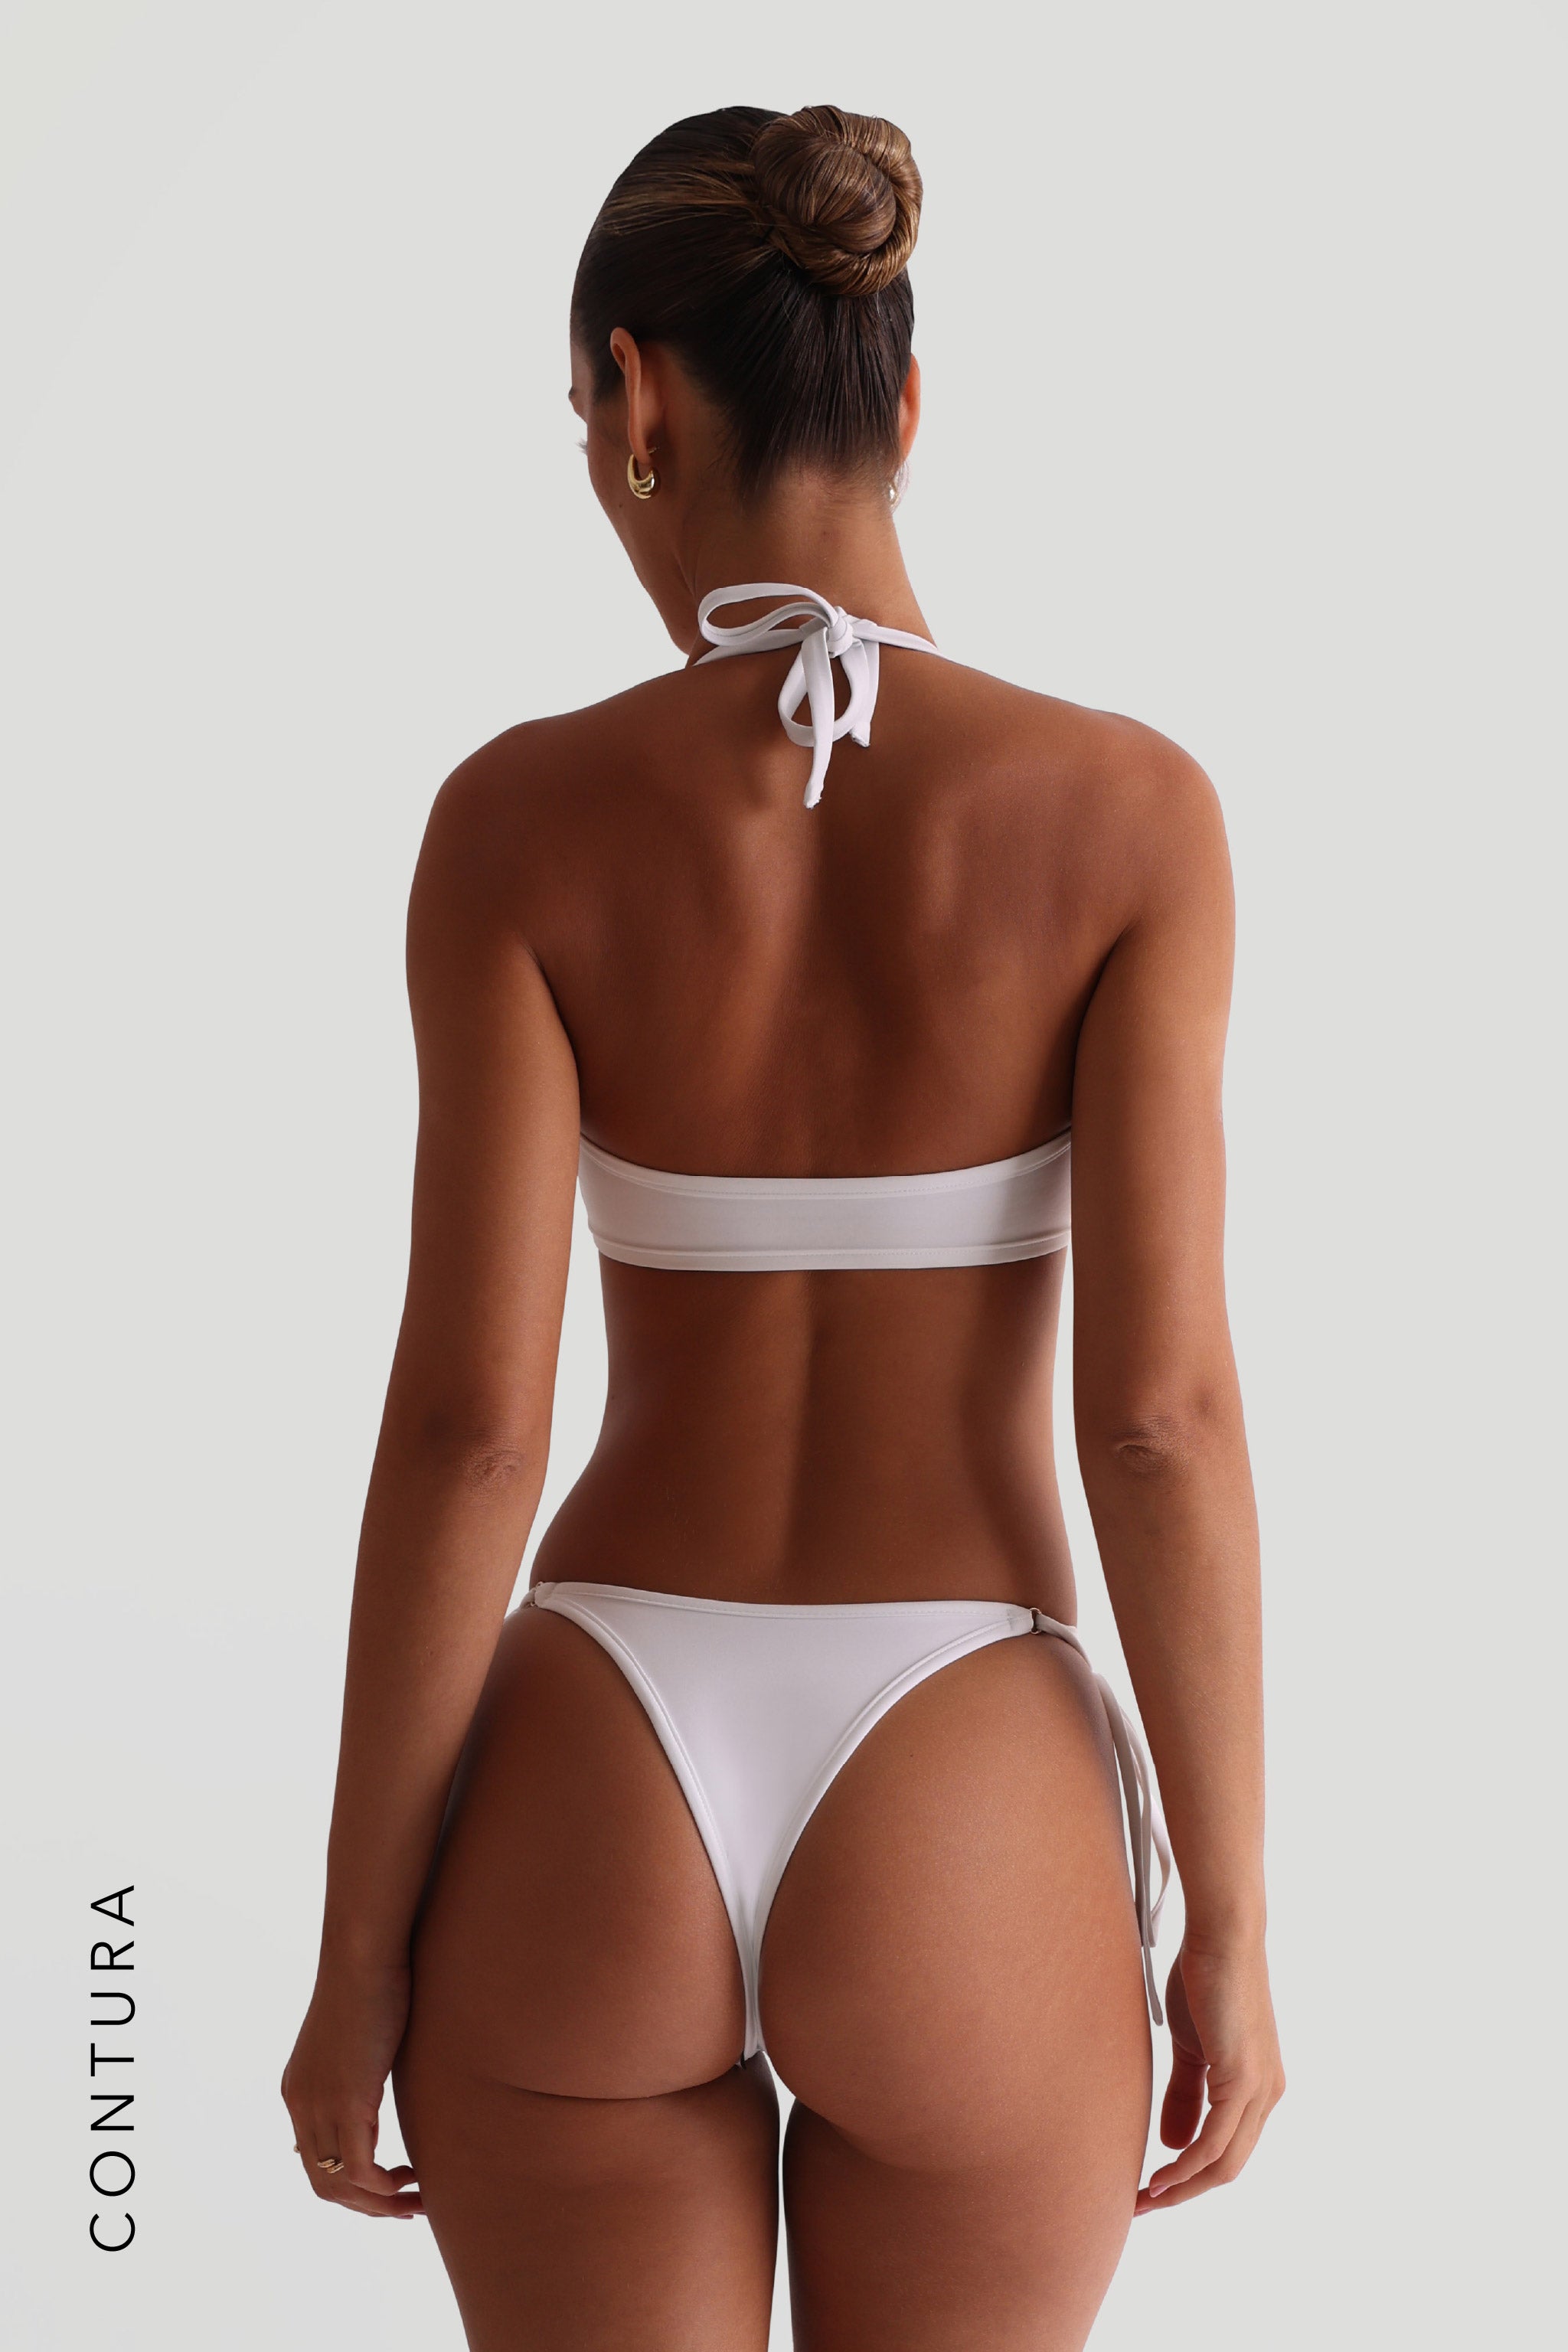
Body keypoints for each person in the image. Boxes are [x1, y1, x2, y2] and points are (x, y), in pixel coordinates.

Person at [282, 101, 1283, 2351]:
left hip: (596, 1769)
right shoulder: (1132, 817)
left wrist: (355, 1960)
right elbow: (1160, 1420)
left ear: (634, 398)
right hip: (965, 1780)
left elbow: (468, 1432)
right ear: (904, 406)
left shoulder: (515, 822)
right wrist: (1227, 1917)